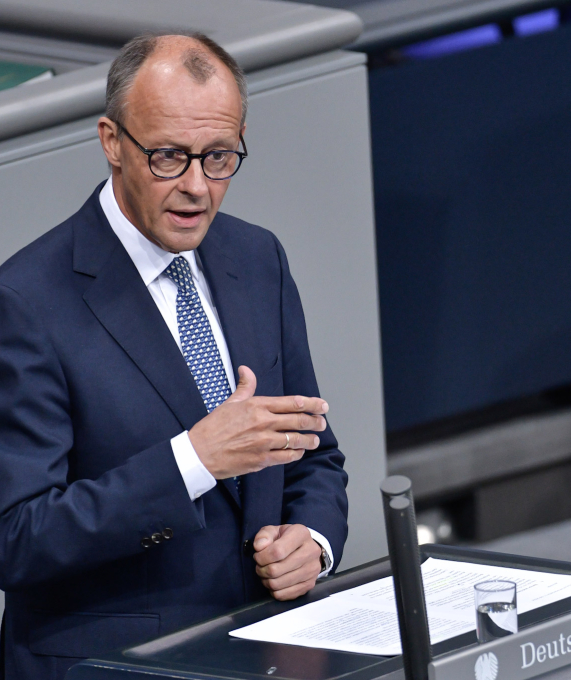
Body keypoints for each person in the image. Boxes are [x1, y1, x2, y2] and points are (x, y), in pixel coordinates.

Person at [0, 32, 347, 680]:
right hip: (113, 667)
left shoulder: (257, 258)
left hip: (264, 649)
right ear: (112, 142)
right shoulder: (26, 302)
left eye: (219, 157)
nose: (196, 187)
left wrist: (314, 543)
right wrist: (193, 460)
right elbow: (16, 536)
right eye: (168, 157)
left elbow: (313, 457)